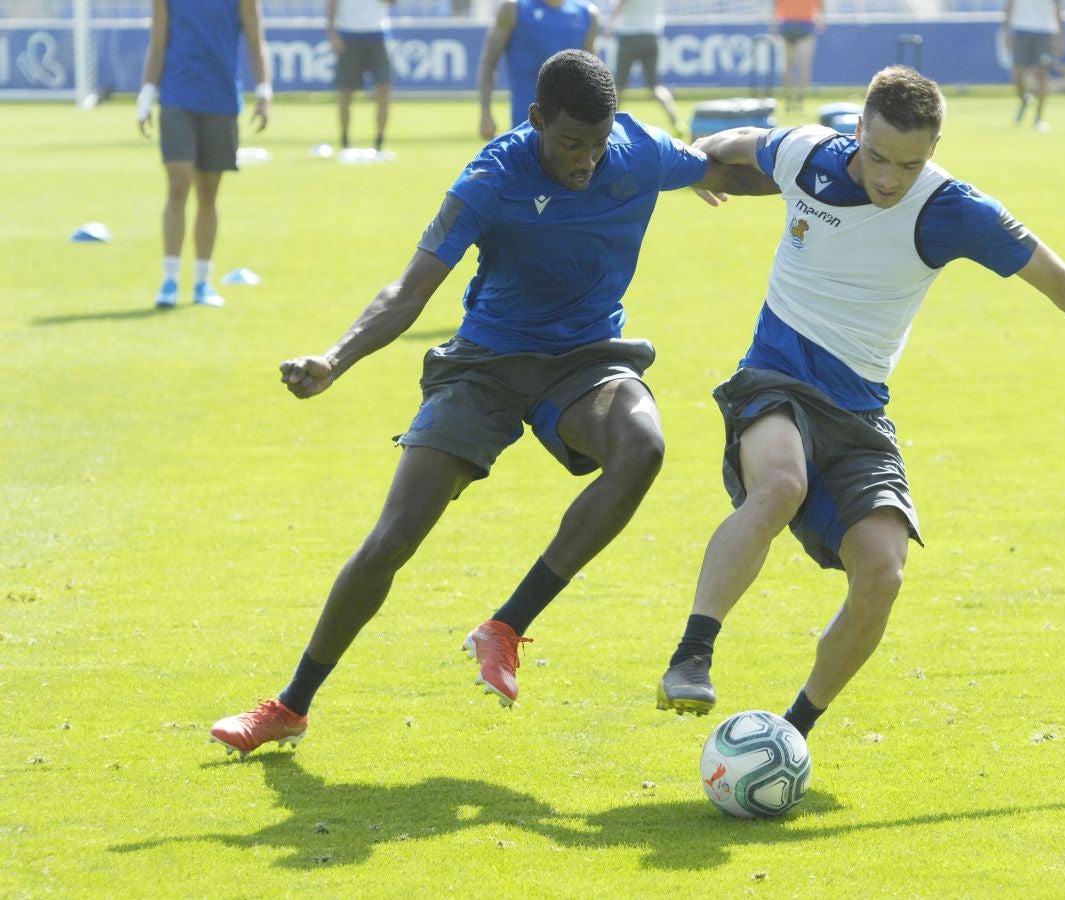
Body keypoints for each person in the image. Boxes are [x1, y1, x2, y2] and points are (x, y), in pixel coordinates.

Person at [208, 50, 775, 758]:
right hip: (487, 365)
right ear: (536, 119)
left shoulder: (636, 152)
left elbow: (727, 172)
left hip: (587, 360)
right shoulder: (493, 177)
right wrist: (334, 358)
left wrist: (839, 179)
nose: (585, 163)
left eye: (597, 146)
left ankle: (505, 628)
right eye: (569, 143)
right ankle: (289, 705)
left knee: (643, 448)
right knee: (394, 538)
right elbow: (408, 292)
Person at [655, 66, 1065, 739]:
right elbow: (744, 141)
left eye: (909, 164)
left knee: (883, 573)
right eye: (878, 156)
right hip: (774, 379)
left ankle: (791, 732)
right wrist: (689, 165)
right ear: (855, 130)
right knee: (778, 486)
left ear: (935, 148)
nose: (890, 178)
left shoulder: (954, 209)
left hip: (859, 412)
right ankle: (692, 655)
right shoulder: (808, 154)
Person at [136, 0, 270, 309]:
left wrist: (264, 93)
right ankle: (169, 279)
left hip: (221, 101)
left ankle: (202, 280)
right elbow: (157, 44)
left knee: (208, 192)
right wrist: (145, 96)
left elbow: (255, 41)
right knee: (178, 182)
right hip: (177, 97)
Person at [477, 0, 598, 140]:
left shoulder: (588, 14)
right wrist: (485, 113)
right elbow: (489, 61)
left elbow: (594, 73)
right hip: (525, 127)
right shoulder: (514, 9)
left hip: (574, 128)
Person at [328, 0, 395, 151]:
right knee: (346, 92)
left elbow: (393, 2)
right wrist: (332, 33)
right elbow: (331, 3)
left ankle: (379, 143)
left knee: (384, 89)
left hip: (378, 33)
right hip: (348, 34)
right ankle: (345, 141)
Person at [606, 0, 681, 131]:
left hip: (629, 35)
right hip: (651, 35)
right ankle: (676, 121)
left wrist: (611, 23)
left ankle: (609, 124)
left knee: (619, 87)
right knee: (655, 87)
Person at [1003, 0, 1064, 131]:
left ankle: (1039, 117)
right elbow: (1009, 5)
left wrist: (1061, 37)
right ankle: (1025, 99)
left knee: (1042, 76)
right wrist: (1006, 33)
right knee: (1018, 75)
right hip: (1021, 29)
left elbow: (1058, 8)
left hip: (1045, 31)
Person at [773, 0, 824, 112]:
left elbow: (775, 6)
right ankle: (798, 100)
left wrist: (774, 25)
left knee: (789, 66)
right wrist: (822, 20)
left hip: (789, 24)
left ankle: (790, 100)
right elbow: (821, 5)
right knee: (802, 66)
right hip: (802, 24)